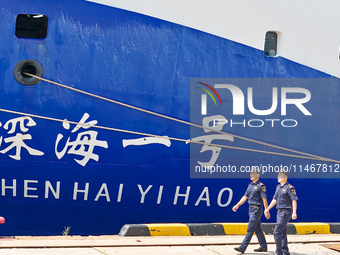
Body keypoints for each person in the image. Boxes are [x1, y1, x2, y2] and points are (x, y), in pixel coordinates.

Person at [232, 167, 269, 253]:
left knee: (250, 228)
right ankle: (263, 246)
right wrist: (237, 205)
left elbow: (264, 199)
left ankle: (243, 247)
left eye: (253, 173)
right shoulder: (250, 185)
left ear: (258, 175)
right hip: (250, 209)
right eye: (251, 173)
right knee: (257, 228)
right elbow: (245, 197)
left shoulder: (261, 186)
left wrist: (266, 210)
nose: (251, 175)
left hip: (256, 209)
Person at [264, 170, 298, 255]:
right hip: (279, 212)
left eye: (280, 176)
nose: (278, 177)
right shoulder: (278, 187)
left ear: (285, 177)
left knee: (276, 232)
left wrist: (294, 213)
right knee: (282, 232)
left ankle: (278, 251)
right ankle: (285, 251)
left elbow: (294, 200)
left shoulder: (289, 187)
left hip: (286, 212)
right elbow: (274, 199)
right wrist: (268, 209)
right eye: (278, 176)